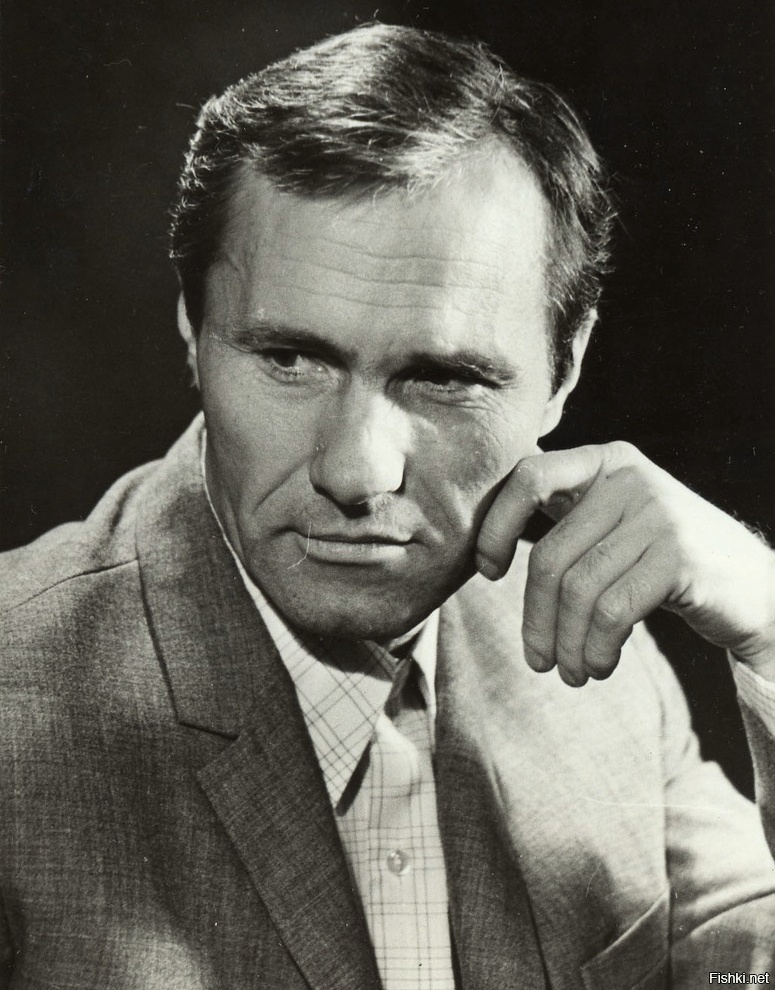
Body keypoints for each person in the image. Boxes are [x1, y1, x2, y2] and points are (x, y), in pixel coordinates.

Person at [1, 21, 774, 989]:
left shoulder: (589, 652)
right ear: (193, 331)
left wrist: (770, 626)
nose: (357, 473)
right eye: (289, 359)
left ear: (565, 369)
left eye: (443, 378)